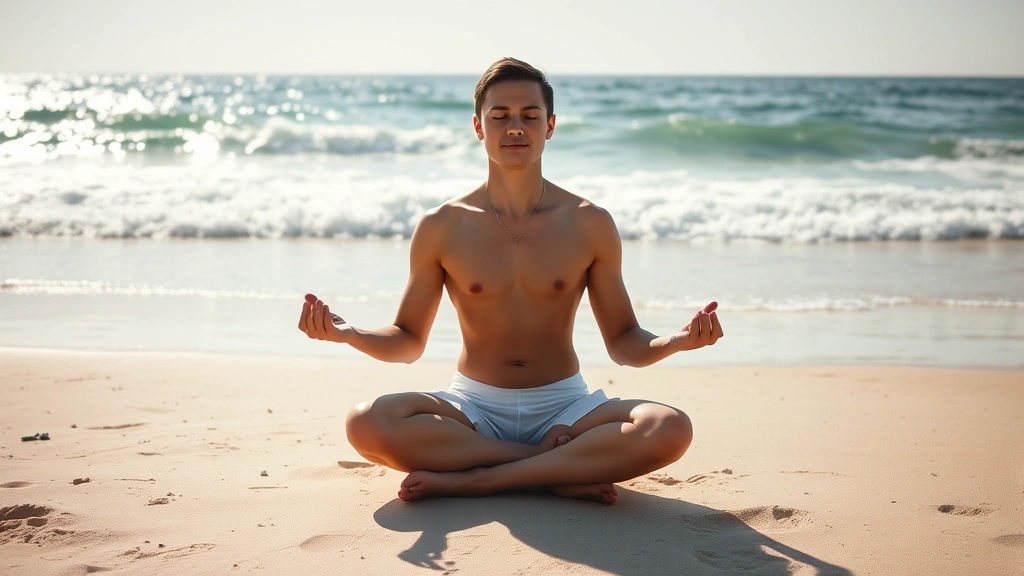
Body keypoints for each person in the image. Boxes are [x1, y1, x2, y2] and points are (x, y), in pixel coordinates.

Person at [298, 58, 724, 504]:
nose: (515, 127)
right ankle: (552, 467)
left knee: (669, 427)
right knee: (367, 422)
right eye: (500, 116)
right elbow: (407, 340)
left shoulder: (589, 222)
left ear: (550, 126)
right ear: (478, 127)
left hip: (567, 409)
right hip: (472, 409)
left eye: (530, 116)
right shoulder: (442, 224)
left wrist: (676, 342)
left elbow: (624, 342)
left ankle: (480, 479)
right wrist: (350, 334)